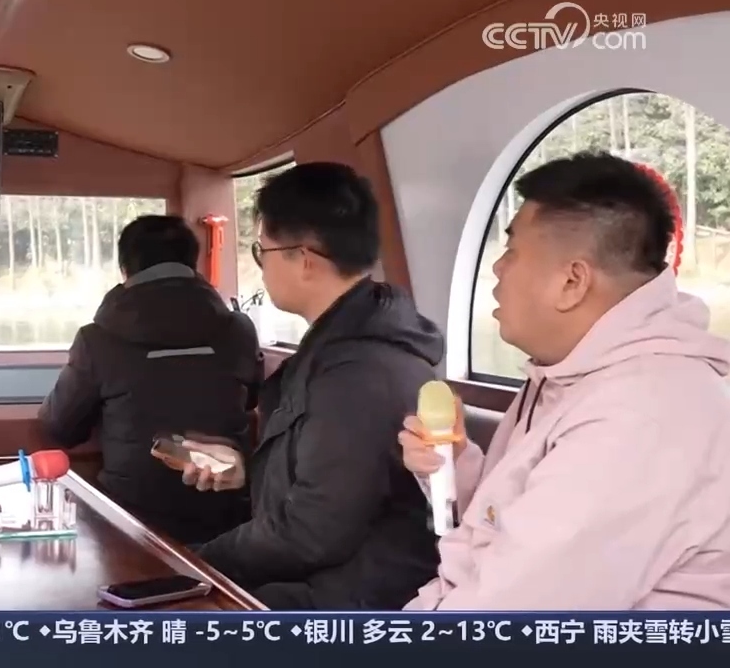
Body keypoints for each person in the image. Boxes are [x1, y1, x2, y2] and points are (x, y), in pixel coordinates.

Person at [401, 152, 730, 610]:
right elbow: (507, 528)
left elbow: (507, 620)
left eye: (511, 251)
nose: (497, 269)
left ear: (573, 281)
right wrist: (453, 463)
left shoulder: (640, 416)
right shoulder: (571, 374)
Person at [182, 162, 443, 610]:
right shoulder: (339, 348)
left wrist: (198, 564)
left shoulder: (359, 373)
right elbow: (329, 482)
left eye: (262, 251)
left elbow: (311, 534)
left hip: (349, 602)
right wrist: (249, 471)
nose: (261, 267)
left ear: (304, 260)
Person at [38, 215, 261, 544]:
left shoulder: (96, 340)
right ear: (193, 265)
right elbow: (251, 399)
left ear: (124, 271)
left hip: (135, 526)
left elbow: (61, 428)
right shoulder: (240, 330)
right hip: (228, 520)